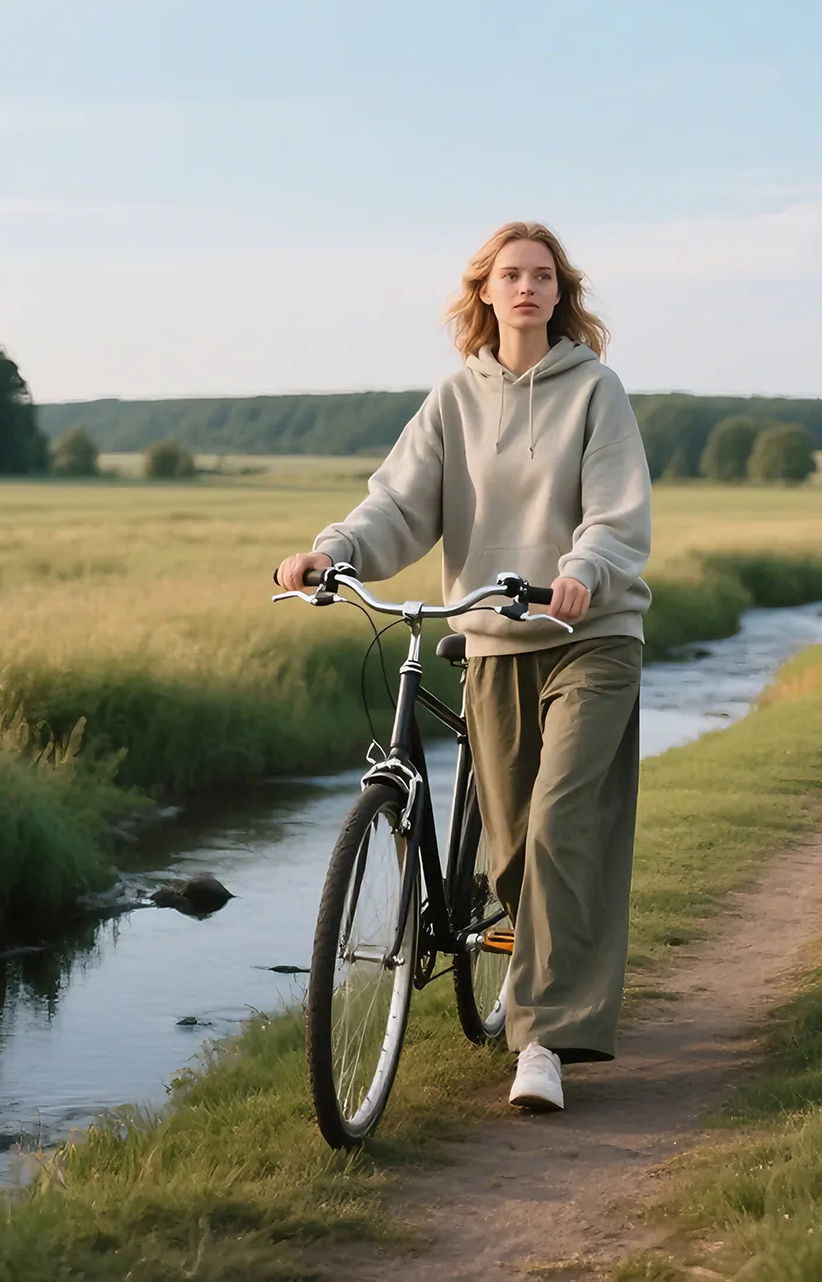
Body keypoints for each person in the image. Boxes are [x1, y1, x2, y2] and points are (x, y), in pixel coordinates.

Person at [275, 221, 652, 1113]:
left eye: (543, 276)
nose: (526, 288)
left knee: (561, 825)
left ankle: (543, 1042)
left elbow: (616, 513)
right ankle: (533, 982)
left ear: (562, 294)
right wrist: (334, 554)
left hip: (588, 637)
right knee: (515, 849)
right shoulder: (454, 397)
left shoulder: (596, 391)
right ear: (484, 290)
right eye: (510, 275)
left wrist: (580, 573)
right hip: (493, 640)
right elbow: (398, 503)